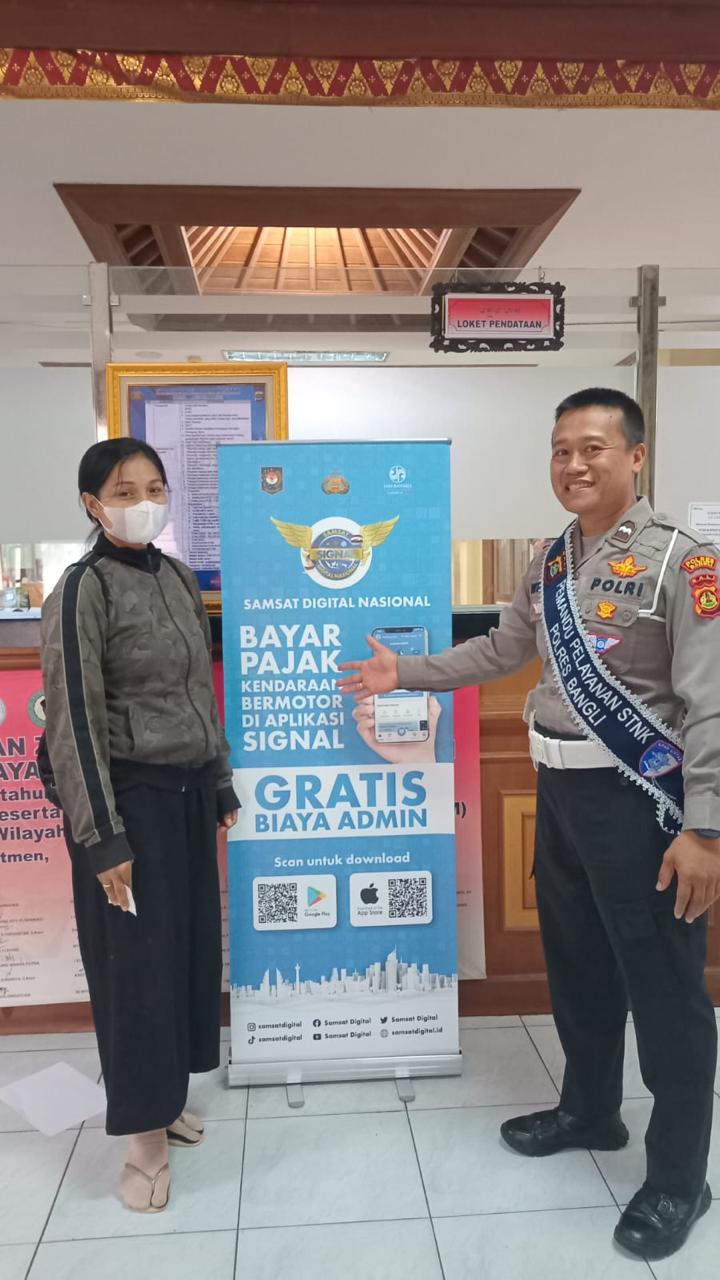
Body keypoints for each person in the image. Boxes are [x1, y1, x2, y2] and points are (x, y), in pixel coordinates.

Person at [338, 388, 720, 1261]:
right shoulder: (553, 560)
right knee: (578, 970)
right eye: (560, 450)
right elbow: (504, 650)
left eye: (592, 448)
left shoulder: (684, 561)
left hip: (644, 807)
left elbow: (712, 705)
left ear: (636, 457)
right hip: (562, 800)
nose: (573, 465)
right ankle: (590, 1111)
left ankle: (679, 1177)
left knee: (666, 995)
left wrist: (706, 830)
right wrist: (407, 672)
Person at [41, 438, 239, 1213]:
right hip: (126, 805)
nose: (143, 503)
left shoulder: (177, 577)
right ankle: (143, 1138)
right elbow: (73, 723)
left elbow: (198, 692)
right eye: (125, 492)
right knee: (137, 974)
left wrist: (218, 779)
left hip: (186, 795)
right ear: (93, 504)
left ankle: (168, 1100)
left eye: (154, 488)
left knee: (185, 956)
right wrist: (103, 840)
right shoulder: (82, 589)